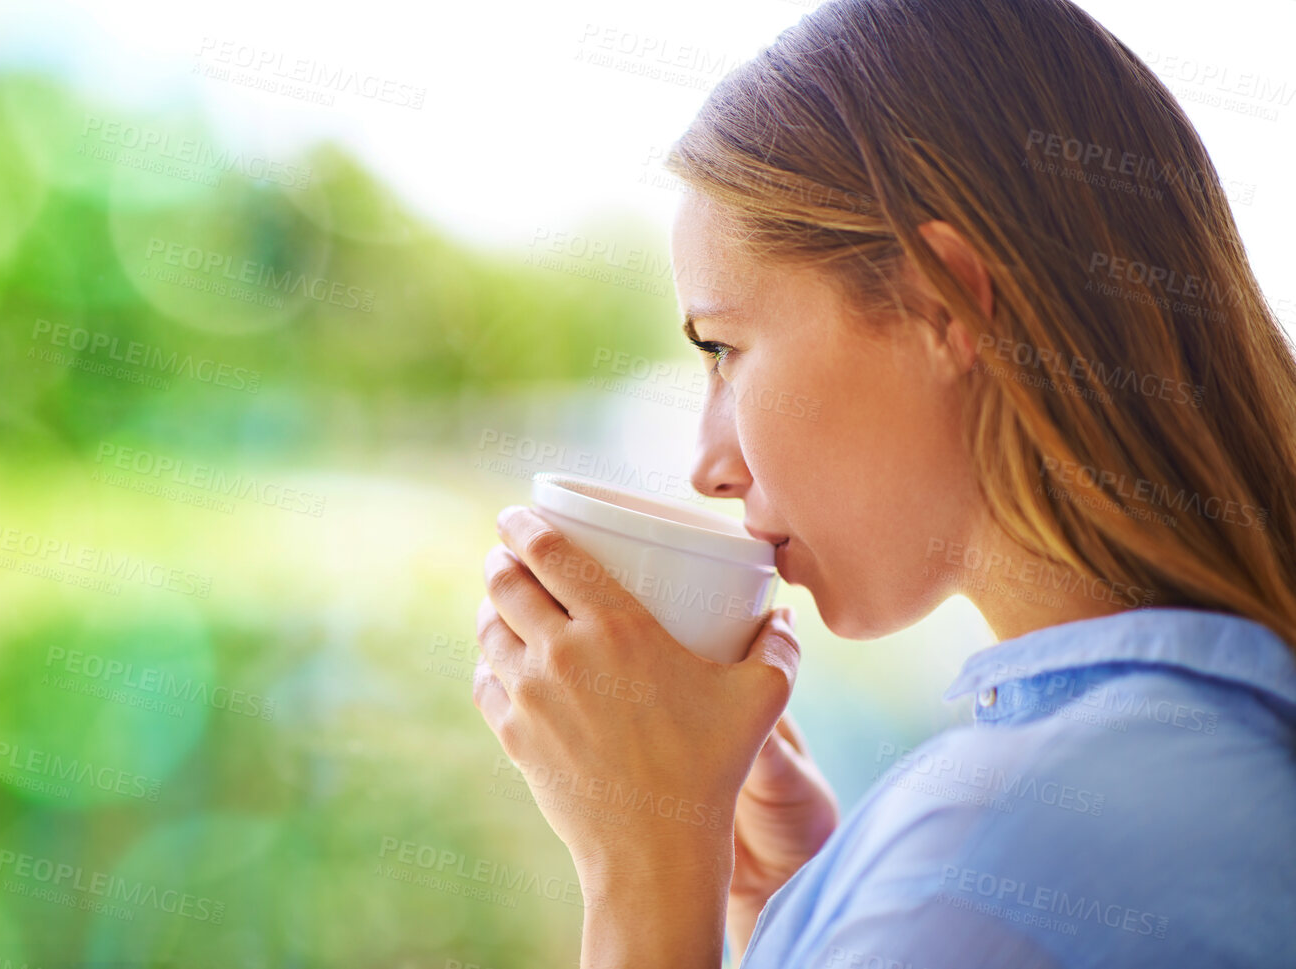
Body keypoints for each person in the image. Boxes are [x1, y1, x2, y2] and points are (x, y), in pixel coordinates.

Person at [469, 0, 1296, 965]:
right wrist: (796, 901)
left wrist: (640, 866)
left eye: (724, 347)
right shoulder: (1198, 749)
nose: (708, 465)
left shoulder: (994, 863)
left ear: (935, 301)